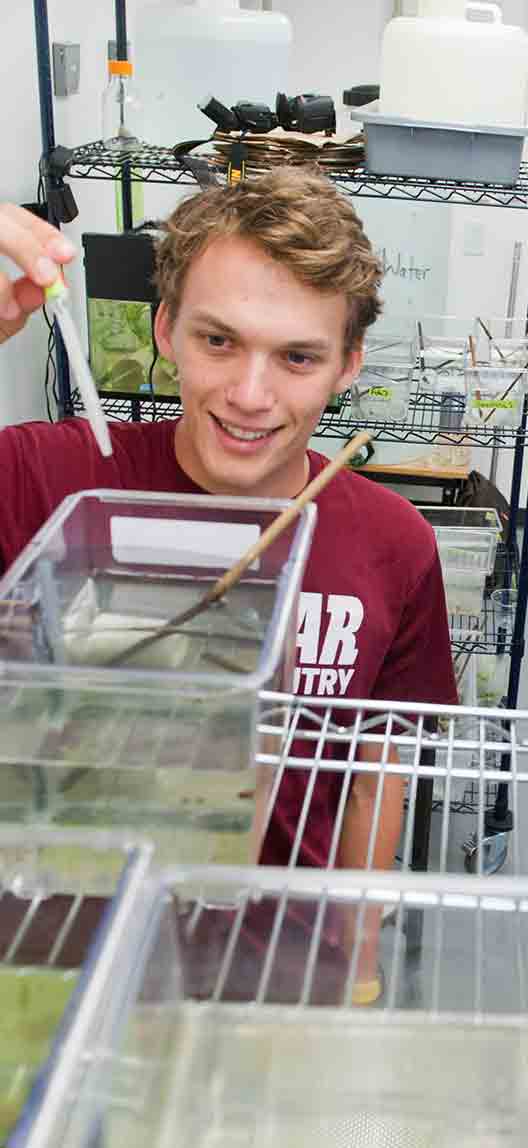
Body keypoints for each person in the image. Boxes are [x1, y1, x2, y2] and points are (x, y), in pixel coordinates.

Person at [0, 170, 457, 996]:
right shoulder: (47, 478)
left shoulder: (395, 544)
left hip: (268, 967)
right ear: (166, 329)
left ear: (348, 365)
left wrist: (355, 958)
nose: (251, 396)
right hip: (47, 955)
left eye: (296, 357)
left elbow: (377, 764)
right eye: (219, 341)